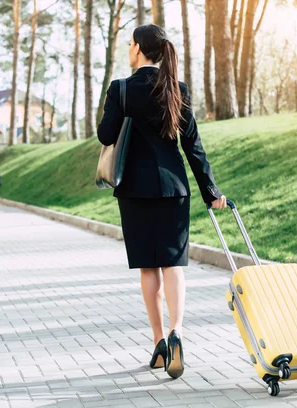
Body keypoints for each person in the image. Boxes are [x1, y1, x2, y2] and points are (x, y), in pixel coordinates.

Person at [97, 24, 226, 379]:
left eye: (129, 44)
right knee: (173, 266)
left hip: (135, 191)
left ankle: (158, 342)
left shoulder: (121, 89)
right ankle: (177, 331)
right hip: (174, 190)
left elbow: (105, 135)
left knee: (148, 268)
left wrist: (120, 109)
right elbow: (193, 148)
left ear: (138, 49)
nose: (128, 48)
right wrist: (211, 192)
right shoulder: (177, 89)